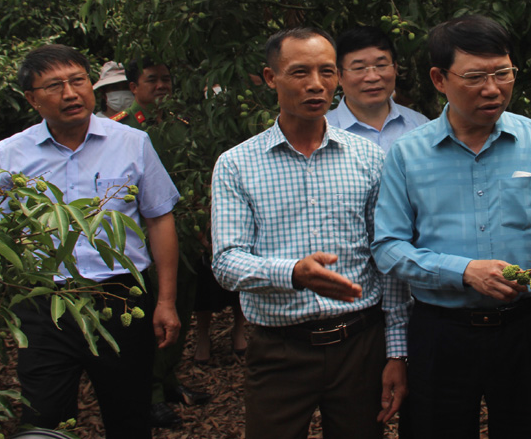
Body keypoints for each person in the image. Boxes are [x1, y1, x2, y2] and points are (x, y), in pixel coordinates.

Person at [372, 15, 531, 438]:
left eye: (503, 73)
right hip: (441, 333)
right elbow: (388, 246)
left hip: (526, 329)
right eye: (476, 76)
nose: (493, 88)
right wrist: (463, 271)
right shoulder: (408, 155)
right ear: (440, 79)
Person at [211, 27, 409, 439]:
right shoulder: (237, 164)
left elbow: (386, 258)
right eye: (300, 72)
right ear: (270, 78)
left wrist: (396, 350)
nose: (316, 85)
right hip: (279, 348)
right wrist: (292, 273)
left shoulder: (368, 158)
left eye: (327, 72)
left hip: (359, 343)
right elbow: (226, 262)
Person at [0, 44, 180, 438]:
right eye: (54, 86)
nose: (71, 94)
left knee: (129, 415)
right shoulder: (10, 154)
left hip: (120, 299)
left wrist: (165, 301)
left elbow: (159, 218)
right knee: (44, 420)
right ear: (32, 99)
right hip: (47, 305)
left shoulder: (131, 142)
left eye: (77, 81)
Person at [115, 57, 218, 428]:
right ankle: (152, 393)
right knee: (155, 315)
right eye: (152, 80)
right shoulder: (124, 131)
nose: (161, 86)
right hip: (147, 239)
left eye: (166, 79)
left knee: (183, 308)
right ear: (133, 88)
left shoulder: (182, 127)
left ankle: (169, 378)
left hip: (185, 235)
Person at [326, 26, 429, 152]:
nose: (372, 77)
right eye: (359, 68)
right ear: (339, 76)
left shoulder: (421, 127)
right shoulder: (321, 133)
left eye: (381, 65)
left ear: (395, 68)